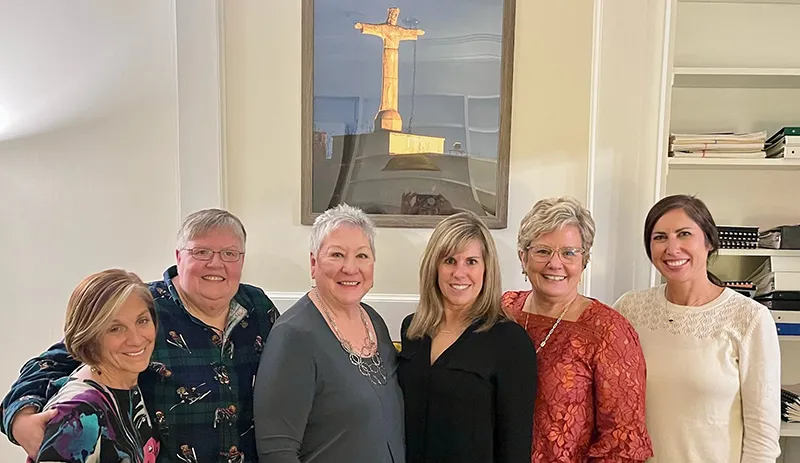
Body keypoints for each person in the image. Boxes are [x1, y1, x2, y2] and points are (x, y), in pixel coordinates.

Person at [2, 209, 279, 462]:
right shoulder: (140, 309)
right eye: (202, 252)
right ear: (179, 256)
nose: (216, 264)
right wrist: (20, 418)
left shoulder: (257, 307)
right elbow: (55, 361)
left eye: (230, 254)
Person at [614, 194, 781, 462]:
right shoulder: (629, 309)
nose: (672, 248)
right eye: (659, 237)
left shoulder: (750, 318)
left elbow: (763, 434)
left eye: (684, 234)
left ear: (709, 241)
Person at [503, 196, 653, 462]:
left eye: (569, 252)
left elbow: (622, 442)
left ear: (585, 261)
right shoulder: (503, 311)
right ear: (523, 257)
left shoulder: (608, 331)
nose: (555, 263)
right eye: (542, 251)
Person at [253, 204, 404, 462]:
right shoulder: (293, 336)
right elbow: (277, 450)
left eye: (362, 256)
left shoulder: (374, 321)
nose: (350, 268)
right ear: (314, 263)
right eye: (336, 255)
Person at [398, 211, 538, 463]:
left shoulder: (510, 341)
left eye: (471, 261)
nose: (459, 273)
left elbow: (515, 447)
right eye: (449, 260)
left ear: (486, 269)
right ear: (434, 267)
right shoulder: (412, 330)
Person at [33, 269, 160, 462]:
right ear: (90, 337)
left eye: (142, 321)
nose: (136, 339)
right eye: (115, 328)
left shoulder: (125, 382)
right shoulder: (80, 414)